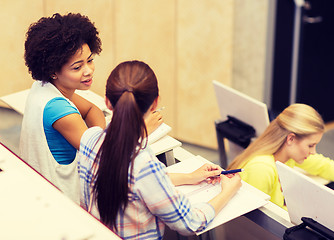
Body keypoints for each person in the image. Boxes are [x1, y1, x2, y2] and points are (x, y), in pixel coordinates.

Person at [77, 60, 242, 239]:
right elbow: (190, 223)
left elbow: (130, 181)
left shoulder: (89, 138)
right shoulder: (143, 164)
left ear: (107, 102)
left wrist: (190, 177)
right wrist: (228, 191)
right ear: (155, 104)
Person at [20, 13, 107, 203]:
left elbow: (93, 111)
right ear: (53, 71)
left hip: (37, 189)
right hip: (62, 202)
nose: (88, 70)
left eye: (90, 60)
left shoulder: (42, 88)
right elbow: (104, 156)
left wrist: (96, 138)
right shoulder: (60, 110)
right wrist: (141, 129)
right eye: (77, 67)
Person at [227, 103, 334, 210]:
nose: (313, 152)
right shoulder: (262, 169)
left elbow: (324, 165)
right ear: (290, 139)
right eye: (310, 145)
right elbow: (259, 220)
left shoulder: (287, 156)